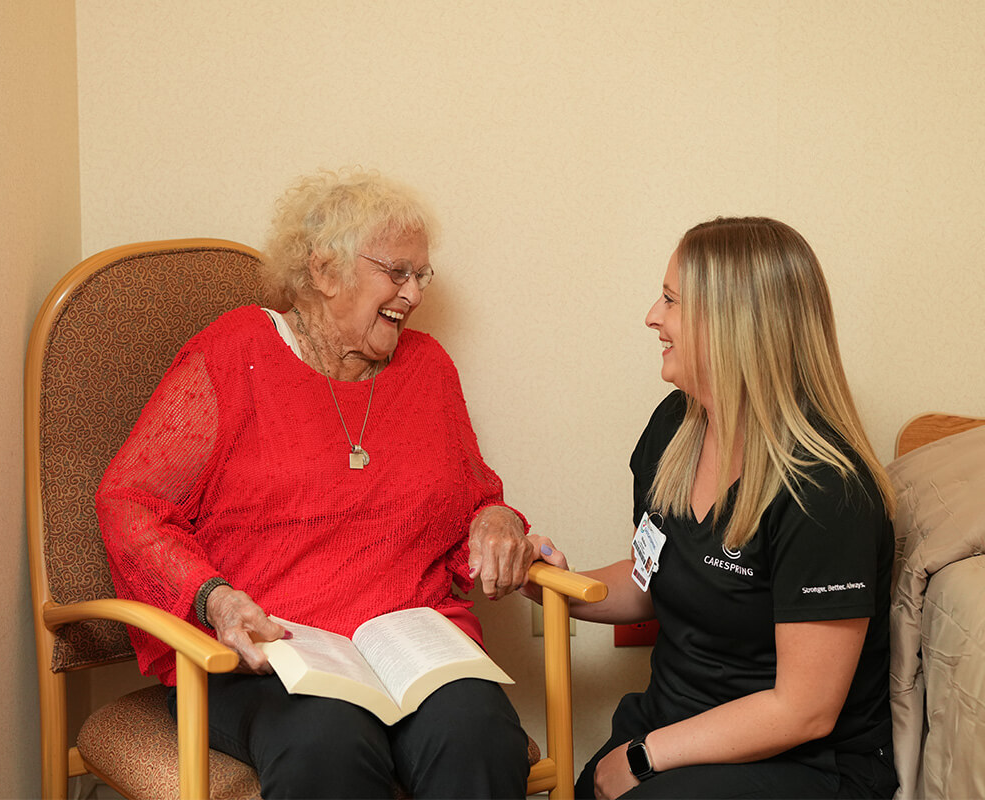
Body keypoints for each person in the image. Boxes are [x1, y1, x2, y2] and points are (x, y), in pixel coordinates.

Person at [96, 168, 534, 799]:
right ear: (324, 271)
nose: (412, 294)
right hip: (268, 655)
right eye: (397, 271)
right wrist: (213, 597)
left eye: (421, 276)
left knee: (480, 733)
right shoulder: (234, 353)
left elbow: (474, 499)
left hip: (412, 653)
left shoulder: (428, 368)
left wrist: (498, 520)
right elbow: (131, 503)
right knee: (327, 742)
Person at [530, 217, 898, 799]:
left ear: (733, 324)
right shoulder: (674, 427)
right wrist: (551, 585)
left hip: (803, 761)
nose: (652, 315)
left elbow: (804, 711)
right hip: (672, 722)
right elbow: (651, 577)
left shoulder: (826, 489)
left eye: (672, 301)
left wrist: (647, 757)